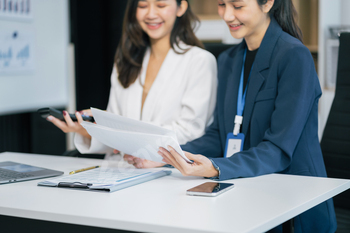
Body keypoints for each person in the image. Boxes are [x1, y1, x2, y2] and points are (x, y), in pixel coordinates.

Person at [155, 0, 337, 232]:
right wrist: (167, 154)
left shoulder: (294, 56)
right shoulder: (228, 60)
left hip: (293, 204)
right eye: (221, 5)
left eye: (237, 6)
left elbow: (277, 150)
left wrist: (215, 168)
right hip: (245, 193)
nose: (227, 15)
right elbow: (218, 135)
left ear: (267, 3)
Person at [47, 0, 217, 165]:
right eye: (143, 5)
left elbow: (190, 132)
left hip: (167, 171)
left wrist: (123, 135)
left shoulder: (199, 61)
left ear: (181, 7)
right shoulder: (125, 60)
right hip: (119, 169)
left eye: (161, 5)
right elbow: (114, 136)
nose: (151, 14)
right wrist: (86, 130)